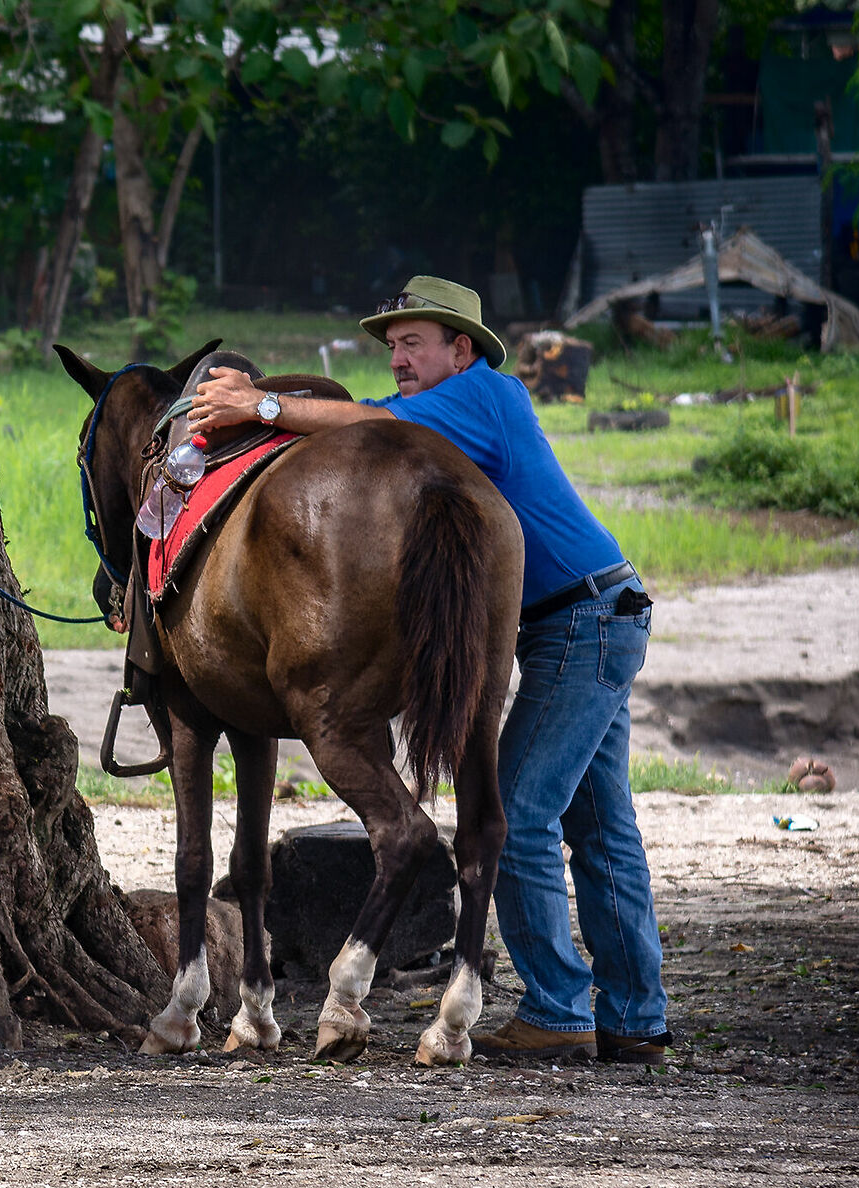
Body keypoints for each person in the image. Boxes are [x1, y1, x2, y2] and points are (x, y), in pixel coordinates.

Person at [187, 275, 670, 1065]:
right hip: (598, 612)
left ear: (462, 348)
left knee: (519, 807)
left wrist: (258, 406)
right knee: (603, 830)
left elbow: (366, 421)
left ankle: (557, 1009)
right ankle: (634, 1017)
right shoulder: (464, 399)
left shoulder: (484, 394)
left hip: (576, 625)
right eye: (392, 345)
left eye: (414, 342)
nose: (398, 358)